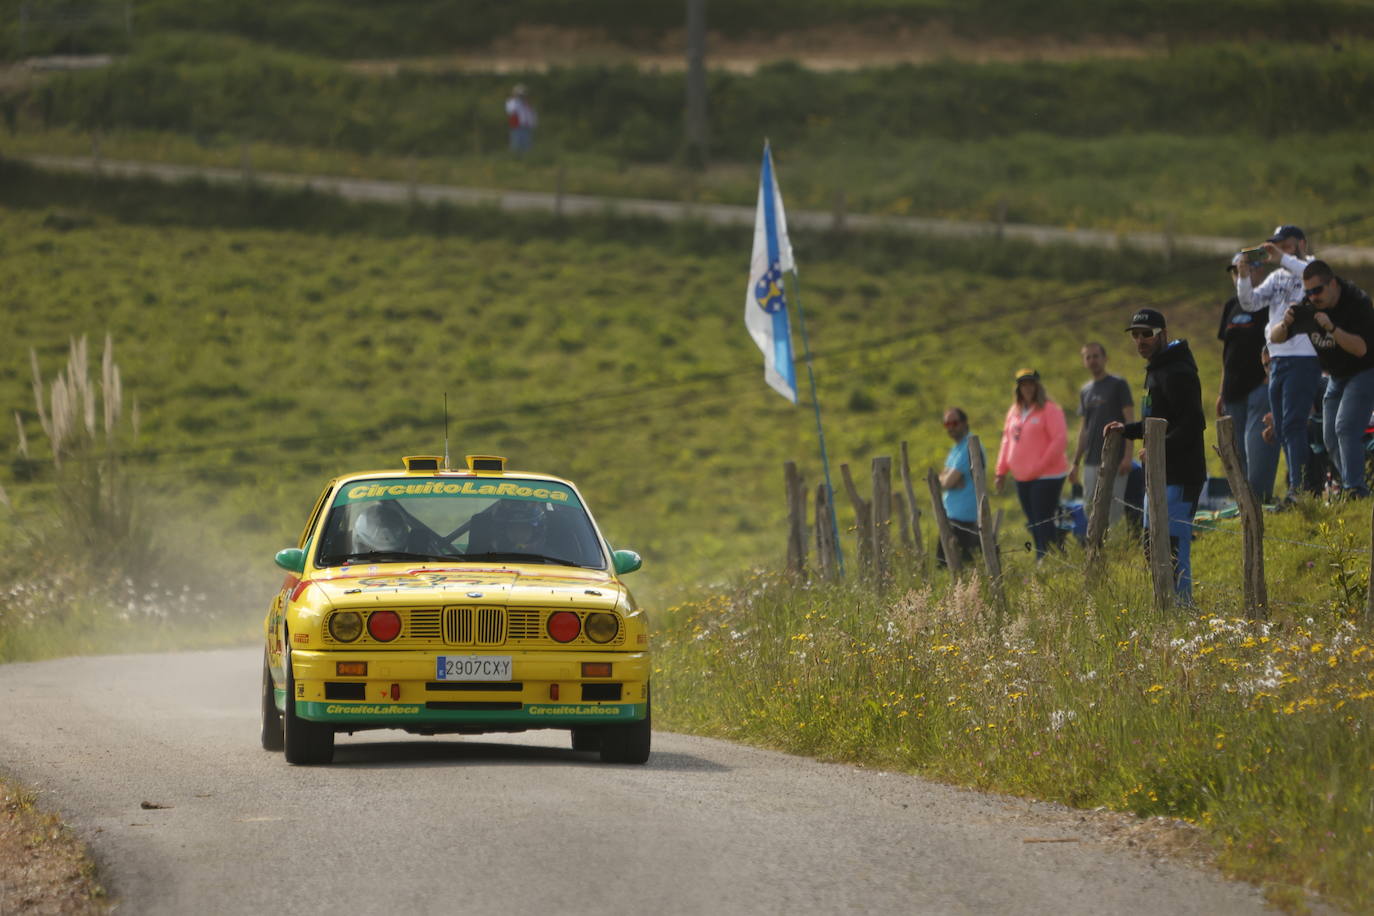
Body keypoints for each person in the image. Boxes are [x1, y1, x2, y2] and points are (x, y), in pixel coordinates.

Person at [1106, 309, 1207, 603]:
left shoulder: (1178, 371)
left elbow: (1192, 424)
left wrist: (1156, 450)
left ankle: (1183, 609)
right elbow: (1156, 422)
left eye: (1146, 334)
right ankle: (1166, 608)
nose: (1140, 341)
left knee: (1173, 546)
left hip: (1181, 474)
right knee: (1153, 546)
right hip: (1159, 474)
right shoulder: (1156, 369)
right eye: (1135, 335)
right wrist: (1126, 429)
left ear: (1163, 333)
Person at [1269, 260, 1374, 498]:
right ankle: (1349, 484)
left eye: (1318, 290)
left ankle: (1356, 489)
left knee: (1345, 428)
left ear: (1333, 283)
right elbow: (1275, 338)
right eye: (1308, 292)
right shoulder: (1308, 307)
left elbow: (1361, 350)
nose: (1313, 297)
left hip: (1365, 371)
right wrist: (1285, 323)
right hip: (1337, 376)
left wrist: (1333, 329)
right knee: (1328, 437)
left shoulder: (1357, 302)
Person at [1235, 225, 1318, 505]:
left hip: (1304, 356)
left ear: (1301, 244)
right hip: (1277, 357)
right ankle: (1297, 485)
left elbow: (1308, 274)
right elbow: (1249, 303)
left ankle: (1300, 489)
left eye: (1285, 244)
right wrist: (1244, 275)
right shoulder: (1277, 276)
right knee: (1282, 426)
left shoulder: (1313, 269)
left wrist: (1280, 257)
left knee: (1293, 423)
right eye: (1275, 245)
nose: (1280, 249)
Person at [1218, 254, 1281, 503]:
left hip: (1260, 385)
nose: (1238, 276)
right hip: (1233, 390)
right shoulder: (1230, 306)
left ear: (1258, 270)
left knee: (1258, 448)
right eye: (1235, 272)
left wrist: (1270, 379)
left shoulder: (1269, 304)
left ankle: (1260, 501)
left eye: (1242, 270)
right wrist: (1222, 390)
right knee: (1237, 453)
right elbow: (1227, 352)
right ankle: (1243, 504)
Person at [994, 369, 1069, 560]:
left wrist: (1039, 466)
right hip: (1022, 476)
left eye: (1031, 384)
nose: (1027, 388)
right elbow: (1006, 441)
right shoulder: (1014, 411)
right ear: (1018, 388)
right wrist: (1001, 471)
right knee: (1033, 521)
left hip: (1046, 475)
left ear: (1037, 386)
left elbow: (1059, 440)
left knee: (1042, 518)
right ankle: (1044, 556)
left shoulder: (1050, 410)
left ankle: (1048, 557)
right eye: (1023, 384)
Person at [1069, 342, 1134, 525]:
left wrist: (1128, 456)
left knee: (1114, 510)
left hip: (1116, 458)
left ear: (1105, 359)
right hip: (1091, 461)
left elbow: (1130, 420)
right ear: (1084, 362)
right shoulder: (1085, 391)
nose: (1092, 360)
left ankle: (1116, 549)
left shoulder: (1118, 385)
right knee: (1090, 507)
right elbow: (1084, 429)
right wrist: (1075, 463)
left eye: (1096, 356)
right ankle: (1096, 551)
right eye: (1088, 357)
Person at [937, 407, 984, 567]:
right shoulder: (956, 447)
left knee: (957, 567)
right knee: (946, 566)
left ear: (964, 423)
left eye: (955, 423)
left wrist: (948, 480)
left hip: (964, 518)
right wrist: (947, 479)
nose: (951, 427)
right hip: (952, 515)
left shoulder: (969, 447)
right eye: (947, 424)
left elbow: (946, 482)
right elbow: (942, 478)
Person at [504, 84, 537, 154]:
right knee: (516, 144)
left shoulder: (527, 104)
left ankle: (526, 158)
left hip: (526, 127)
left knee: (527, 145)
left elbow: (531, 115)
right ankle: (515, 159)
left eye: (523, 94)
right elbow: (511, 110)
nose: (522, 96)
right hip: (517, 126)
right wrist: (516, 99)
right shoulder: (512, 102)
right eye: (520, 94)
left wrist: (533, 124)